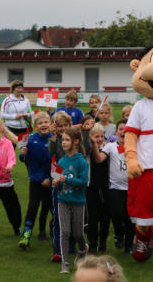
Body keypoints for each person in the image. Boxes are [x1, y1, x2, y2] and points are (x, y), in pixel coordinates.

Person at [53, 127, 89, 274]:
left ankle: (82, 249)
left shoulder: (81, 161)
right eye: (63, 140)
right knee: (65, 232)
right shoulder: (61, 161)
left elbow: (83, 181)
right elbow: (56, 178)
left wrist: (66, 179)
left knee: (78, 234)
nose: (63, 142)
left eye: (67, 140)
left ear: (76, 142)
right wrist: (56, 182)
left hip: (78, 201)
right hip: (63, 200)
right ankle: (65, 264)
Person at [19, 111, 52, 248]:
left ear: (50, 124)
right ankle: (26, 235)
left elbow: (59, 162)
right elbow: (22, 159)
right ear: (35, 126)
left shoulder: (55, 139)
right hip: (35, 180)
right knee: (32, 206)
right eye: (40, 123)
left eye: (46, 122)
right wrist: (23, 154)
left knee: (47, 207)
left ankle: (43, 231)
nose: (43, 125)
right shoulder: (30, 139)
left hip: (51, 181)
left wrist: (50, 178)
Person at [100, 120, 134, 253]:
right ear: (116, 132)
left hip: (132, 189)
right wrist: (92, 143)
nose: (123, 132)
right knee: (116, 214)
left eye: (127, 130)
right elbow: (99, 158)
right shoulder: (110, 147)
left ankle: (129, 245)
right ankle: (119, 233)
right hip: (115, 188)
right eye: (121, 129)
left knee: (130, 217)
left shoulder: (136, 146)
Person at [49, 110, 72, 262]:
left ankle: (71, 245)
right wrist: (53, 137)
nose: (63, 128)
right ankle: (57, 249)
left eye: (66, 125)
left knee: (71, 216)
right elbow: (51, 156)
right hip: (57, 181)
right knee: (58, 217)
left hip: (71, 182)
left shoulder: (73, 141)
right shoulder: (54, 141)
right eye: (60, 126)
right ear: (55, 127)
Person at [88, 124, 111, 253]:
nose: (100, 139)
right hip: (91, 187)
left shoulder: (107, 149)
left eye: (102, 136)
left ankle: (102, 241)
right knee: (92, 217)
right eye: (96, 136)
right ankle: (92, 244)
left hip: (105, 187)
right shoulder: (88, 149)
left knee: (105, 217)